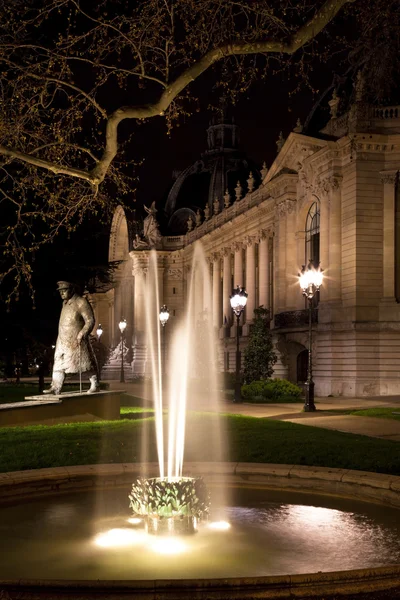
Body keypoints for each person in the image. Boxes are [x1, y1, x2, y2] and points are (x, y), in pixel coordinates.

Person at [44, 281, 100, 395]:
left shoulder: (81, 302)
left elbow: (90, 320)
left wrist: (82, 333)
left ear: (72, 290)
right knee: (59, 363)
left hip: (76, 339)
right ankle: (55, 386)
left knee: (85, 362)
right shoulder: (64, 303)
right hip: (63, 340)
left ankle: (95, 383)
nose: (62, 293)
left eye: (64, 291)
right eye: (60, 291)